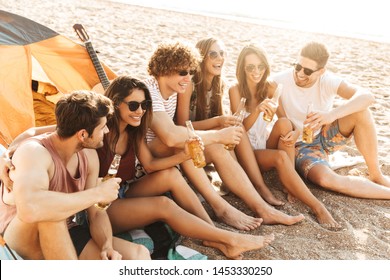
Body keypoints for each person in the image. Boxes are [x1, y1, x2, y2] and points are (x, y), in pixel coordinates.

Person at [98, 75, 275, 259]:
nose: (140, 111)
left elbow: (150, 165)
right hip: (102, 204)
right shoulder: (100, 133)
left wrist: (183, 156)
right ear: (117, 103)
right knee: (164, 204)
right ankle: (229, 238)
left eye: (145, 105)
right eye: (134, 105)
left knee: (172, 175)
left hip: (124, 189)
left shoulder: (133, 130)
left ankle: (213, 235)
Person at [145, 40, 304, 230]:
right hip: (148, 161)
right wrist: (218, 133)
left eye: (190, 72)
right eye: (182, 72)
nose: (187, 78)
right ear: (163, 69)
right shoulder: (149, 92)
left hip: (170, 153)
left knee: (215, 146)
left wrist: (218, 134)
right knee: (198, 140)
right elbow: (171, 136)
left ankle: (261, 208)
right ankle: (225, 208)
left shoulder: (172, 91)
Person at [0, 91, 150, 260]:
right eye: (102, 127)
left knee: (138, 255)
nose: (107, 131)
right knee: (52, 214)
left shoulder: (89, 155)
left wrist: (106, 245)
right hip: (20, 237)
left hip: (65, 229)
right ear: (83, 134)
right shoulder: (34, 153)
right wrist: (98, 193)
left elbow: (96, 213)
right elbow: (29, 210)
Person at [228, 43, 339, 228]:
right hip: (244, 151)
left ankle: (290, 184)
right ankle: (317, 206)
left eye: (260, 66)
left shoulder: (270, 88)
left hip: (263, 145)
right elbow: (239, 130)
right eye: (250, 67)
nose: (256, 71)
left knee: (285, 124)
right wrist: (256, 110)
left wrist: (296, 132)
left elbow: (283, 119)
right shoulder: (235, 90)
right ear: (242, 68)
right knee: (276, 155)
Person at [273, 41, 390, 199]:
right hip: (300, 144)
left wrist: (331, 115)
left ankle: (376, 175)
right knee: (325, 180)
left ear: (321, 71)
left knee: (361, 112)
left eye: (307, 71)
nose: (300, 74)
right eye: (297, 66)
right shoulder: (280, 80)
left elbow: (367, 97)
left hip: (325, 134)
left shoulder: (327, 80)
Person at [177, 37, 283, 207]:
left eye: (222, 53)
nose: (220, 58)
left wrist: (224, 122)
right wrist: (219, 120)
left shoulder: (219, 84)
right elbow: (182, 126)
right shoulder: (190, 84)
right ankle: (254, 186)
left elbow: (220, 124)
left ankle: (253, 185)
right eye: (213, 54)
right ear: (201, 57)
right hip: (189, 143)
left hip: (207, 141)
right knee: (230, 126)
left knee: (234, 126)